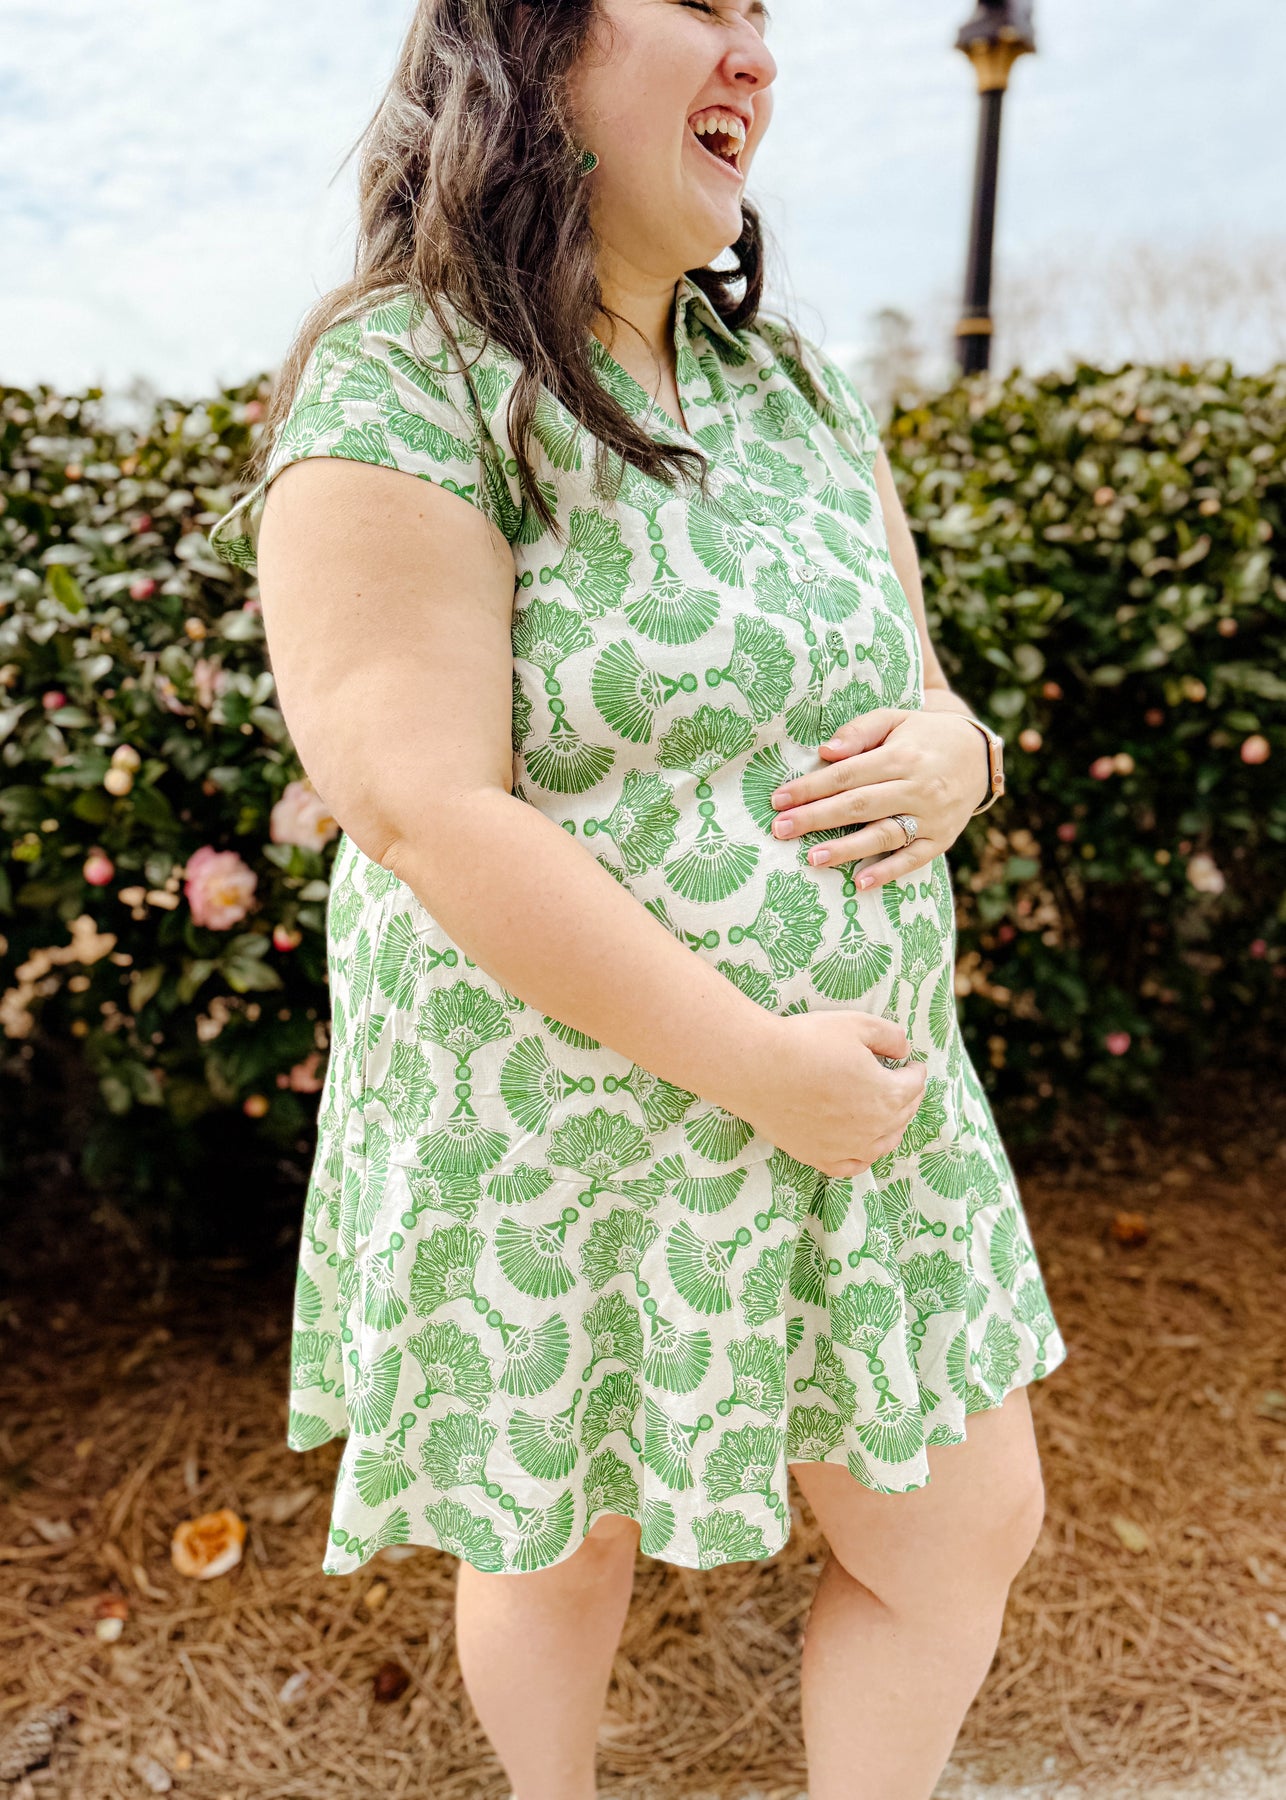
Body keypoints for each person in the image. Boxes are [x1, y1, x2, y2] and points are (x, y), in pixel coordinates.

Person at [210, 2, 1068, 1796]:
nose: (756, 56)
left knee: (961, 1522)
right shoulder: (404, 372)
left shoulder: (793, 385)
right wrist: (753, 1061)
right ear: (524, 46)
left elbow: (920, 683)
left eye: (766, 18)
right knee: (555, 1538)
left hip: (854, 1104)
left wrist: (961, 753)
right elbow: (422, 805)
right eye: (701, 3)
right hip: (552, 1124)